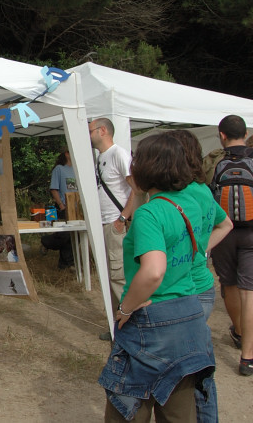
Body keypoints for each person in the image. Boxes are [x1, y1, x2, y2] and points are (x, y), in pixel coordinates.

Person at [98, 133, 228, 421]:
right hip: (189, 313)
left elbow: (154, 271)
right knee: (179, 409)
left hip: (152, 319)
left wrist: (125, 307)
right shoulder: (194, 201)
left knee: (128, 408)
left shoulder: (150, 214)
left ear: (147, 169)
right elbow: (219, 226)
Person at [171, 129, 233, 421]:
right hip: (202, 287)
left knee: (192, 371)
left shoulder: (180, 196)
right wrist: (203, 250)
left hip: (186, 291)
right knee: (199, 366)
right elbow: (226, 224)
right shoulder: (203, 190)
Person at [89, 117, 143, 339]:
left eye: (90, 130)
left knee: (119, 275)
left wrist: (123, 217)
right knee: (109, 276)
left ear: (102, 131)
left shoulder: (118, 153)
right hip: (104, 222)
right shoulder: (101, 156)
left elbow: (136, 187)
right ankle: (117, 326)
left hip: (114, 223)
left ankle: (132, 327)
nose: (88, 135)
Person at [208, 115, 253, 376]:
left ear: (222, 135)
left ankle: (237, 330)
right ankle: (247, 357)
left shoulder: (214, 162)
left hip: (224, 231)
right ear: (245, 133)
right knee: (250, 292)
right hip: (251, 234)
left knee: (230, 285)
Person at [40, 150, 77, 269]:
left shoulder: (77, 169)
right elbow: (54, 189)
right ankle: (46, 241)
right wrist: (61, 204)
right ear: (66, 154)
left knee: (73, 236)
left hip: (76, 208)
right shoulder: (59, 169)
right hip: (64, 207)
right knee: (64, 234)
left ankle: (65, 264)